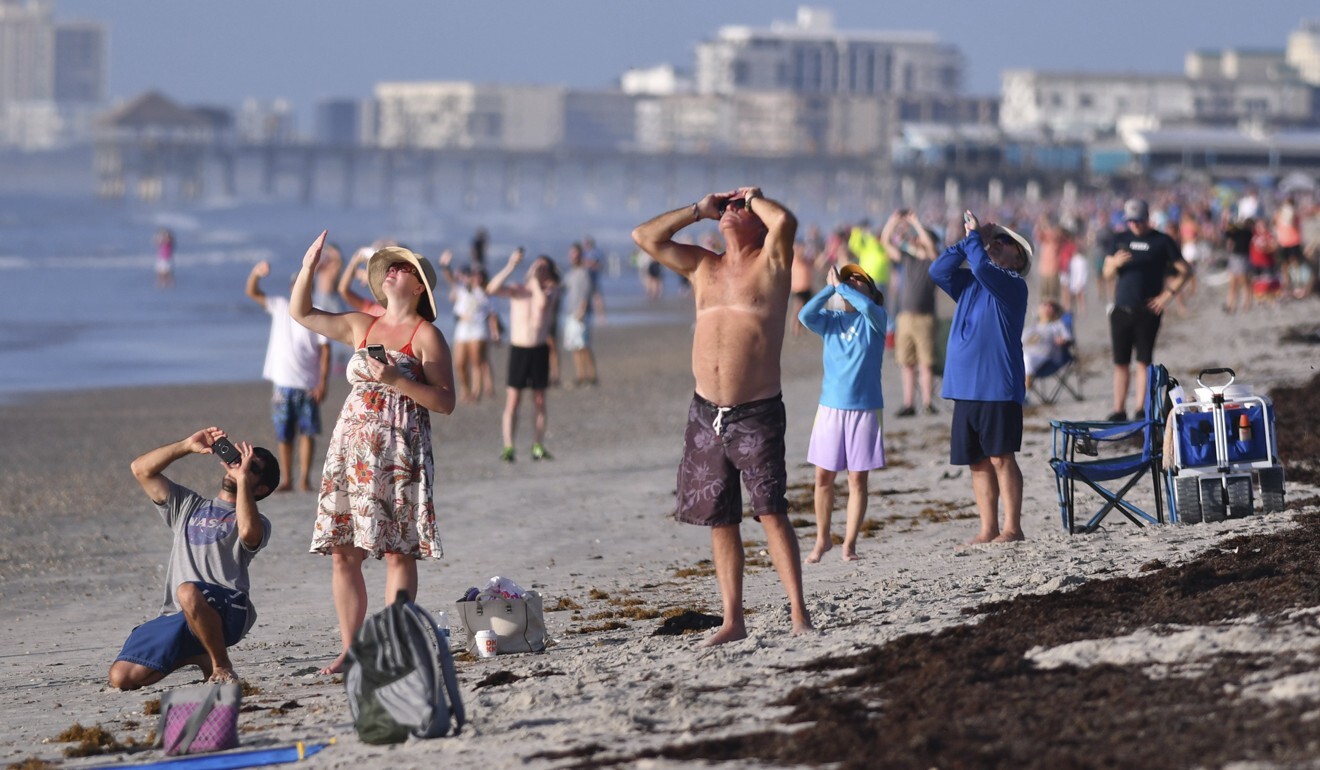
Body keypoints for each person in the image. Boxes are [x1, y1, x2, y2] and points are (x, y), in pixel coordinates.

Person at [632, 186, 813, 644]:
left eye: (741, 208)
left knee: (770, 511)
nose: (732, 211)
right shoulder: (702, 265)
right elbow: (644, 237)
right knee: (721, 518)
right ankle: (733, 619)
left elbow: (787, 222)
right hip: (704, 413)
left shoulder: (771, 263)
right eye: (729, 207)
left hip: (756, 412)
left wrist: (755, 198)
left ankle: (799, 614)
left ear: (757, 219)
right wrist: (697, 210)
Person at [290, 232, 457, 675]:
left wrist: (396, 379)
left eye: (402, 268)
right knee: (344, 551)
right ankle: (352, 649)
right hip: (351, 449)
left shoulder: (427, 336)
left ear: (419, 286)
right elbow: (302, 312)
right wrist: (308, 267)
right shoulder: (363, 325)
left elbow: (445, 401)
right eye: (391, 267)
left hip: (399, 450)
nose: (392, 271)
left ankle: (397, 645)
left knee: (399, 551)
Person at [109, 428, 280, 690]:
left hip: (229, 608)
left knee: (187, 591)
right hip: (179, 613)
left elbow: (248, 533)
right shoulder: (188, 506)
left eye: (251, 467)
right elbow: (140, 469)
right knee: (121, 678)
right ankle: (198, 654)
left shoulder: (257, 521)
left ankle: (221, 664)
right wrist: (187, 445)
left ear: (262, 487)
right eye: (239, 459)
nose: (239, 466)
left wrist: (242, 480)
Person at [929, 210, 1032, 545]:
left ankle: (1012, 528)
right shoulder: (974, 282)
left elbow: (983, 268)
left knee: (1002, 457)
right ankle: (988, 527)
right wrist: (967, 241)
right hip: (965, 385)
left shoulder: (1012, 284)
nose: (997, 244)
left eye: (1005, 242)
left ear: (1018, 258)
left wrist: (977, 238)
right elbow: (938, 270)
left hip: (998, 385)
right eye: (996, 239)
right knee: (977, 461)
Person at [798, 264, 888, 563]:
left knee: (856, 479)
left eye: (858, 279)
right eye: (847, 278)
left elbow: (866, 304)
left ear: (871, 291)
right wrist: (829, 288)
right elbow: (804, 315)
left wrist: (843, 286)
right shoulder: (831, 321)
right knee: (823, 477)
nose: (850, 282)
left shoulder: (875, 318)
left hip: (865, 409)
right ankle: (823, 539)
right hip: (830, 408)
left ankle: (849, 544)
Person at [246, 260, 331, 492]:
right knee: (284, 435)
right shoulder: (280, 305)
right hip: (283, 384)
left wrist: (323, 382)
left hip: (307, 385)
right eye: (295, 285)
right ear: (292, 287)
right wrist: (256, 272)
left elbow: (325, 350)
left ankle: (304, 478)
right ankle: (287, 479)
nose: (298, 289)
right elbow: (252, 292)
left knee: (308, 432)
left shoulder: (317, 315)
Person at [1102, 198, 1191, 421]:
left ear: (1147, 218)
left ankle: (1141, 408)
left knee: (1143, 361)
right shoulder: (1120, 239)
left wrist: (1167, 296)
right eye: (1131, 221)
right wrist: (1114, 264)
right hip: (1121, 308)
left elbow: (1185, 270)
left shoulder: (1161, 241)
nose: (1135, 225)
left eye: (1139, 221)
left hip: (1148, 310)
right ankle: (1119, 409)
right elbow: (1106, 273)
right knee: (1120, 362)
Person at [487, 248, 561, 462]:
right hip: (519, 349)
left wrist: (537, 280)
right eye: (536, 266)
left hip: (538, 349)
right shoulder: (518, 290)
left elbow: (542, 305)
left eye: (544, 267)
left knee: (539, 400)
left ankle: (538, 445)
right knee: (513, 400)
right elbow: (491, 289)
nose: (539, 270)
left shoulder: (550, 290)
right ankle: (509, 446)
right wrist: (511, 265)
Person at [883, 209, 940, 416]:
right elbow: (886, 243)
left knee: (926, 362)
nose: (916, 241)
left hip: (925, 317)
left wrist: (917, 224)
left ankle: (927, 402)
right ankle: (909, 403)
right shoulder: (908, 259)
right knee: (906, 362)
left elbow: (932, 248)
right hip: (905, 316)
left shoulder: (933, 261)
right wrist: (893, 221)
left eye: (919, 239)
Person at [438, 250, 497, 404]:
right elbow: (450, 279)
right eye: (473, 275)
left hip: (479, 329)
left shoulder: (484, 293)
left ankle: (476, 392)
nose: (476, 278)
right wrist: (445, 266)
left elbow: (492, 314)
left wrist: (495, 331)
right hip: (462, 329)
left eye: (478, 275)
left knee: (477, 360)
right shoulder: (462, 290)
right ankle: (465, 388)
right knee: (459, 363)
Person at [561, 242, 603, 387]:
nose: (573, 256)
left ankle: (592, 375)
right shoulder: (569, 273)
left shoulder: (584, 272)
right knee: (574, 346)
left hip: (582, 314)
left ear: (580, 255)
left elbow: (586, 293)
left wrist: (582, 310)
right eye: (571, 254)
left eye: (576, 254)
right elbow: (562, 288)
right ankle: (580, 375)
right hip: (570, 313)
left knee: (584, 346)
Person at [1022, 299, 1072, 392]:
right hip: (1026, 357)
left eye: (1051, 306)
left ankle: (1025, 394)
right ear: (1038, 310)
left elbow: (1068, 338)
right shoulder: (1031, 328)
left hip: (1047, 359)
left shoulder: (1057, 325)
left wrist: (1063, 341)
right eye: (1045, 305)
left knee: (1027, 358)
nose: (1048, 307)